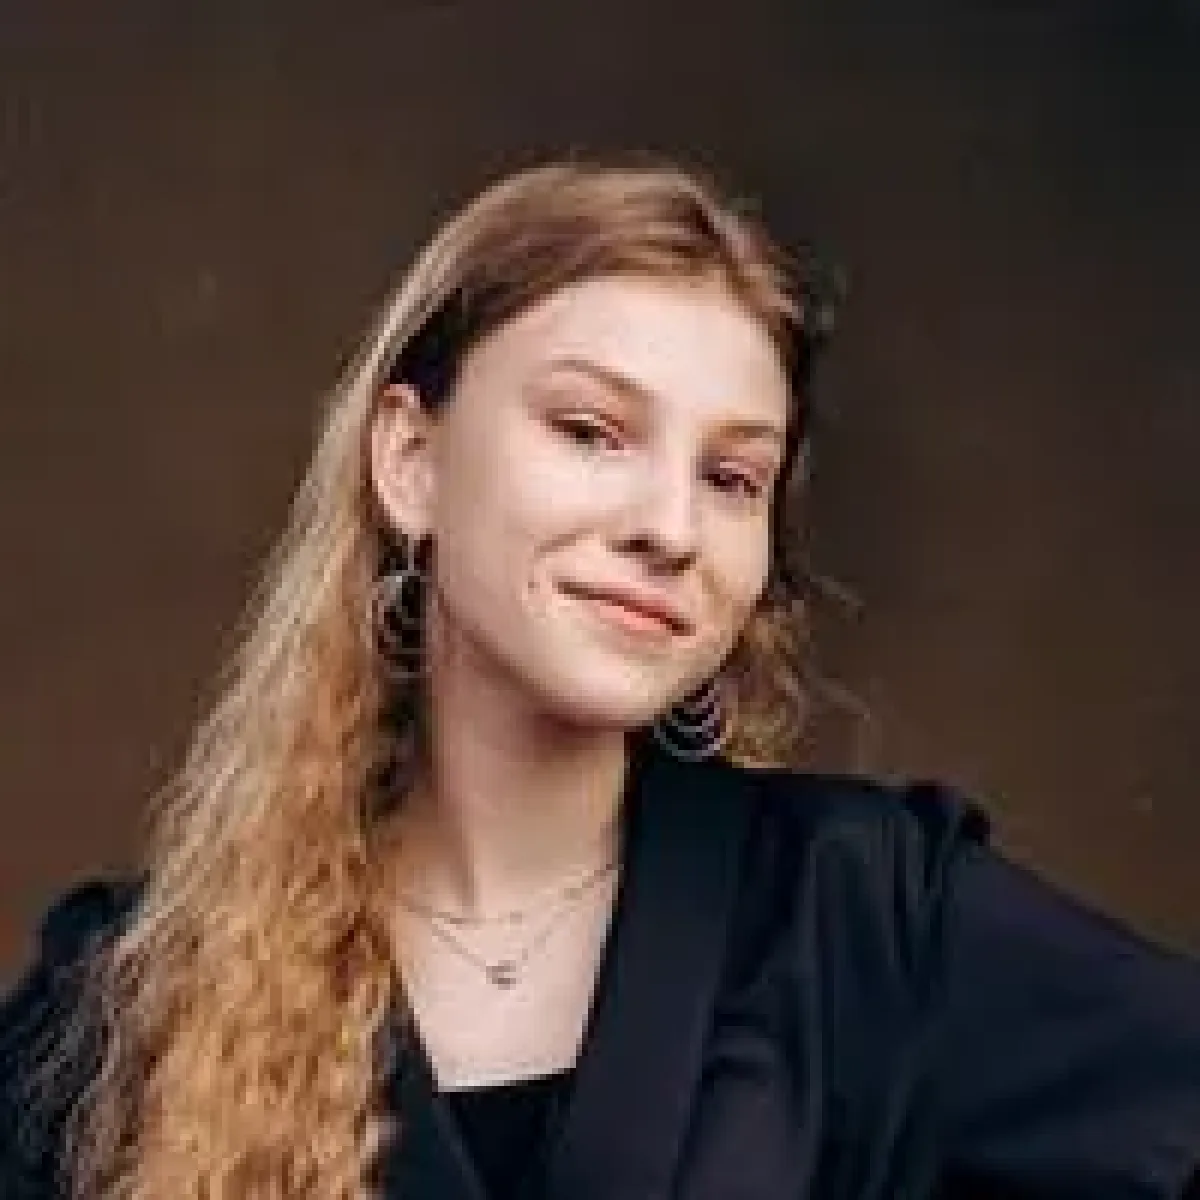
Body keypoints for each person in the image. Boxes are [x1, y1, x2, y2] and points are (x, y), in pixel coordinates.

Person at [2, 156, 1198, 1200]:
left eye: (732, 479)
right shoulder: (136, 995)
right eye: (590, 432)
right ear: (411, 460)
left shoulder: (868, 909)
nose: (670, 528)